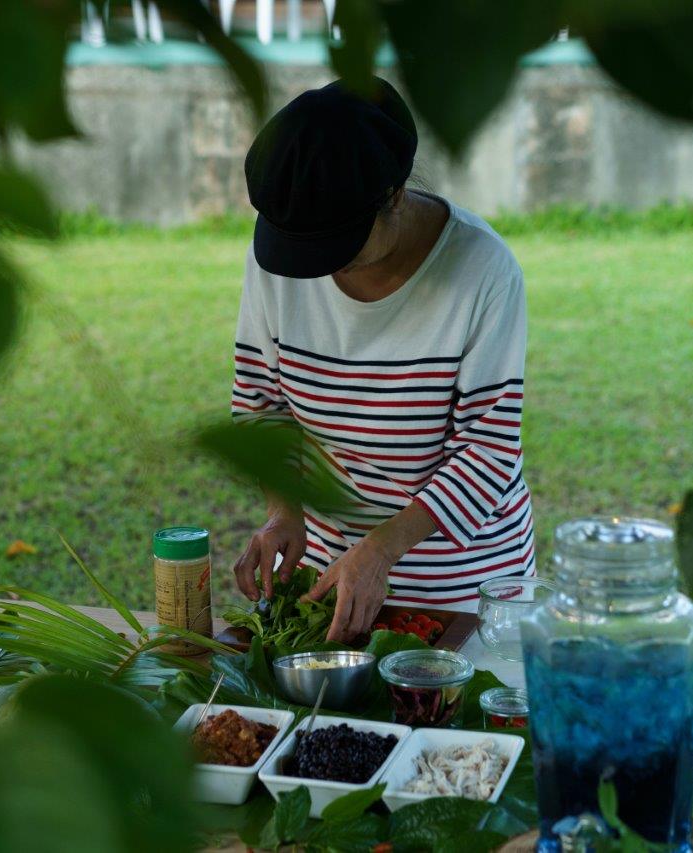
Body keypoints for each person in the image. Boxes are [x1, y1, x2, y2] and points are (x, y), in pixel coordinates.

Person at [230, 78, 536, 643]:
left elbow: (487, 450)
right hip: (329, 574)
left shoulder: (482, 272)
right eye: (300, 249)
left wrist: (382, 550)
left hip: (461, 584)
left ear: (394, 196)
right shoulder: (281, 257)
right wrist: (283, 511)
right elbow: (261, 403)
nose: (318, 270)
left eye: (337, 247)